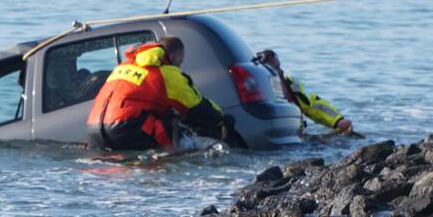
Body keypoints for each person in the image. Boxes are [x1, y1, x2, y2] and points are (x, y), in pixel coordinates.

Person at [86, 36, 225, 151]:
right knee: (171, 130)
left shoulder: (123, 67)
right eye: (180, 60)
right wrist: (220, 117)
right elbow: (196, 106)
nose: (180, 65)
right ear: (175, 55)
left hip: (94, 128)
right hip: (125, 128)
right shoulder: (166, 73)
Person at [255, 49, 353, 134]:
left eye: (279, 67)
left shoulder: (290, 83)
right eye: (274, 68)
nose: (280, 71)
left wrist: (337, 120)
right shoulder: (256, 88)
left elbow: (312, 105)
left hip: (296, 136)